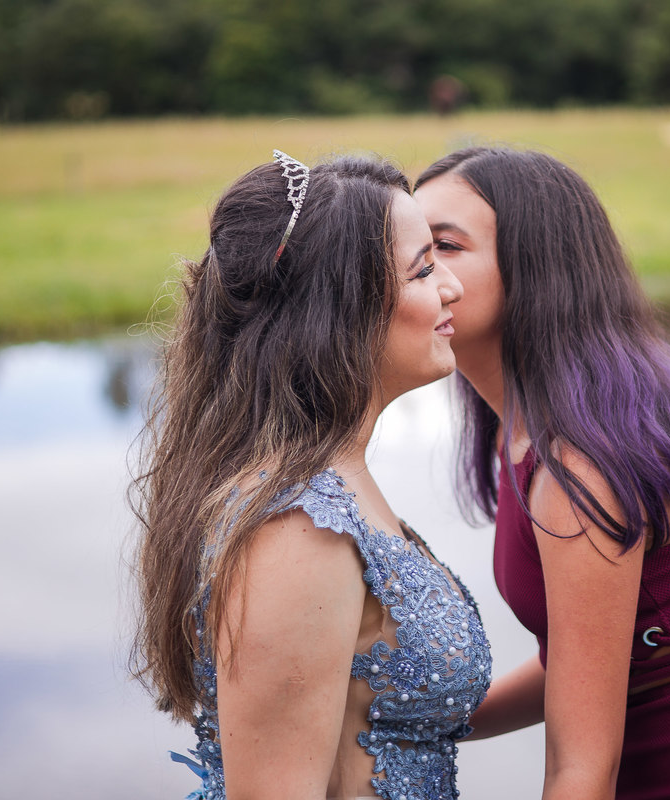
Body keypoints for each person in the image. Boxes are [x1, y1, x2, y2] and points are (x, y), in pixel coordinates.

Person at [414, 147, 670, 800]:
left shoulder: (578, 466)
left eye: (444, 245)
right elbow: (588, 665)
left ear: (535, 269)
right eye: (410, 246)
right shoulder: (527, 423)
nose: (415, 270)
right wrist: (422, 722)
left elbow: (582, 769)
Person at [131, 151, 492, 800]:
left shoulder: (336, 480)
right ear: (341, 310)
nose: (451, 288)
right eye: (422, 270)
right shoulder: (297, 531)